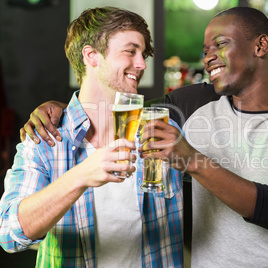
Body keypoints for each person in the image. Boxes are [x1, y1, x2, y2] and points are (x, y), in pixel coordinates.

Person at [18, 7, 268, 268]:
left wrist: (190, 160)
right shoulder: (195, 104)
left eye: (220, 44)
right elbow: (107, 110)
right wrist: (57, 108)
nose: (209, 56)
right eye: (205, 50)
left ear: (260, 46)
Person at [0, 7, 183, 267]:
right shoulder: (45, 137)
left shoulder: (162, 130)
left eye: (143, 54)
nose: (142, 64)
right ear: (91, 55)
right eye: (130, 51)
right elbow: (9, 235)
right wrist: (81, 176)